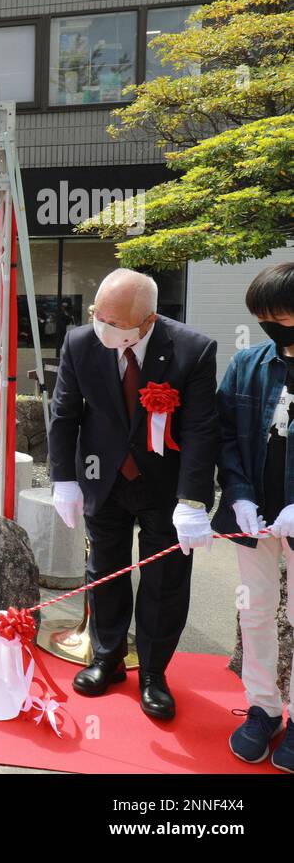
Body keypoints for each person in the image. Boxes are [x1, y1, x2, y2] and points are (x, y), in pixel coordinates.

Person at [48, 268, 219, 721]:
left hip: (165, 486)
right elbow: (64, 413)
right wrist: (63, 479)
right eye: (98, 316)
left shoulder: (193, 350)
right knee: (105, 570)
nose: (103, 327)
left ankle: (154, 673)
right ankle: (106, 657)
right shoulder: (80, 342)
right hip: (103, 477)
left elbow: (201, 429)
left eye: (116, 323)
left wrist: (193, 500)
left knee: (164, 580)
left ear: (148, 321)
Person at [211, 263, 294, 771]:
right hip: (255, 516)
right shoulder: (247, 363)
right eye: (262, 318)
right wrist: (238, 495)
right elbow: (224, 434)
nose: (270, 326)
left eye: (278, 317)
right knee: (256, 609)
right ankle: (263, 707)